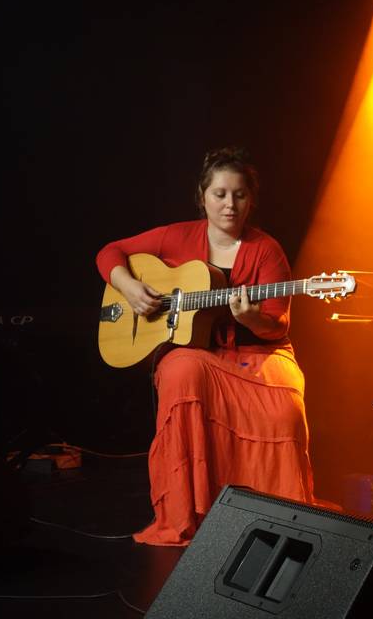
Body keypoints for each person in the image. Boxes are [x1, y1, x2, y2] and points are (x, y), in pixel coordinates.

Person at [96, 147, 314, 546]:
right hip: (196, 353)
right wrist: (129, 287)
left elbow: (277, 323)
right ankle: (187, 514)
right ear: (202, 196)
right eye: (220, 194)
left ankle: (275, 516)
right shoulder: (176, 236)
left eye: (239, 195)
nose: (229, 204)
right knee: (181, 370)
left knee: (285, 409)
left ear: (251, 200)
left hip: (257, 355)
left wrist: (251, 318)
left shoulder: (267, 250)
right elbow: (109, 252)